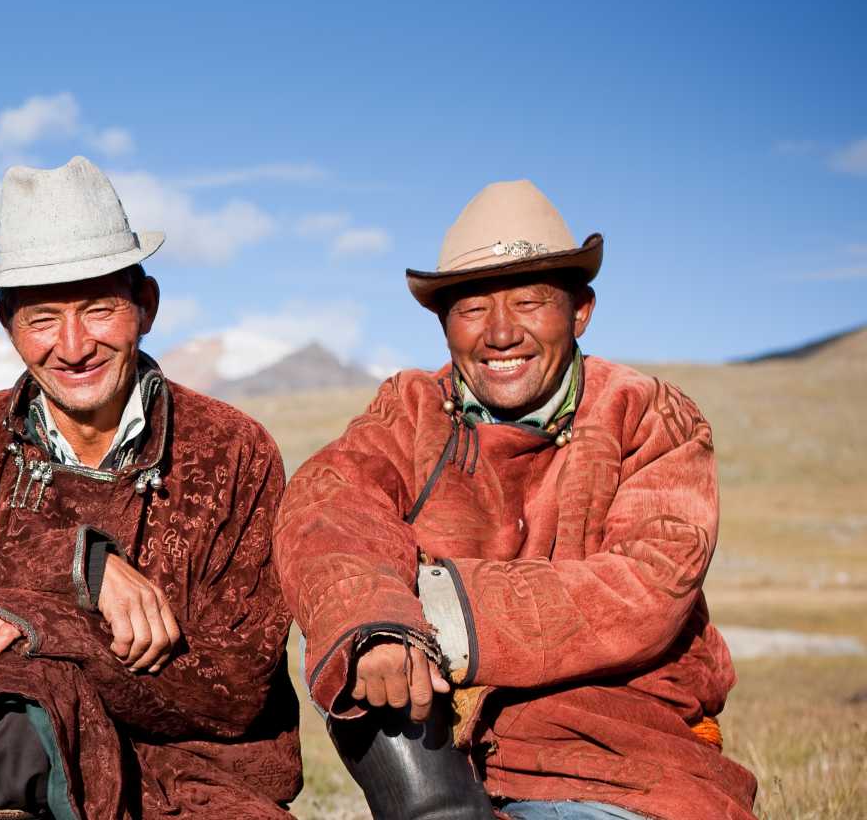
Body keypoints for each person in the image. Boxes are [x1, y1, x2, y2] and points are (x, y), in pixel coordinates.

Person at [273, 180, 759, 819]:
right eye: (472, 309)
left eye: (530, 302)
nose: (500, 333)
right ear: (444, 323)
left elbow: (644, 589)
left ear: (580, 311)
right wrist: (378, 625)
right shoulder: (410, 411)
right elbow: (325, 508)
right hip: (449, 764)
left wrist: (438, 611)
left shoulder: (647, 416)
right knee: (354, 627)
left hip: (623, 762)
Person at [0, 156, 302, 819]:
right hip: (24, 790)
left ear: (147, 306)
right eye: (43, 318)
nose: (74, 346)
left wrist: (36, 615)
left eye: (100, 309)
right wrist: (82, 572)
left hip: (204, 789)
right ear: (8, 325)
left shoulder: (233, 453)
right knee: (8, 707)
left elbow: (237, 682)